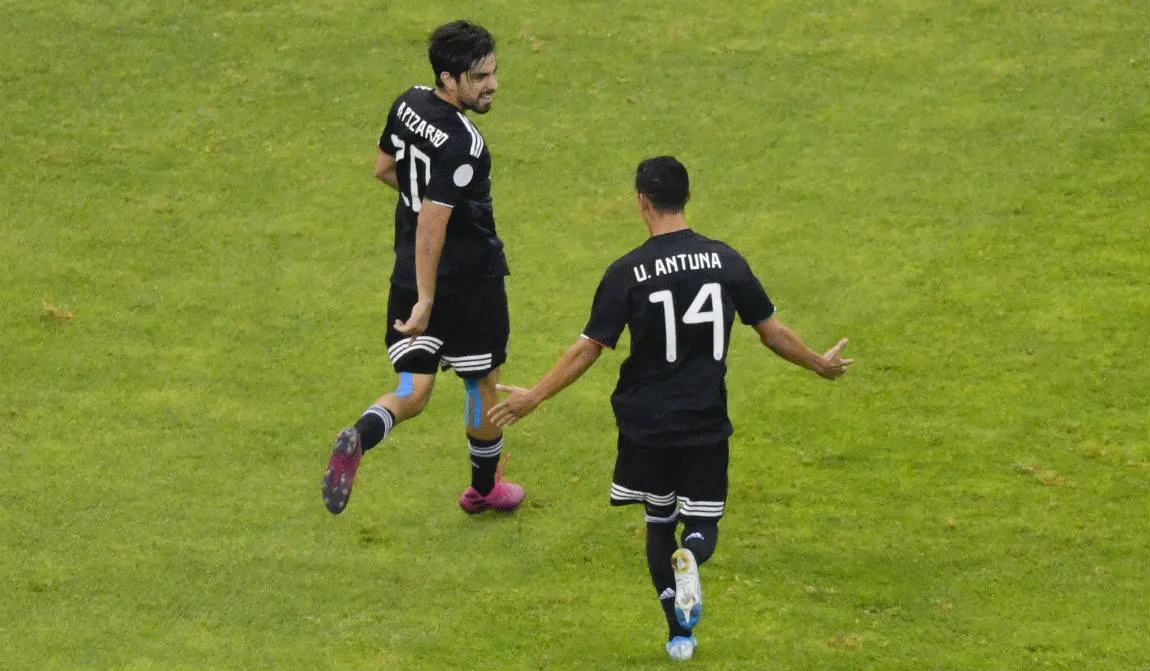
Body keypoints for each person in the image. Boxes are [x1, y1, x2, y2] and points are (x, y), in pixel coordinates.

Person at [488, 156, 853, 661]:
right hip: (703, 419)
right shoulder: (726, 262)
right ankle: (694, 554)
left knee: (658, 522)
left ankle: (679, 634)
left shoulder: (627, 272)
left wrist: (534, 397)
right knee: (702, 524)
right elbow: (771, 332)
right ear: (687, 197)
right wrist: (818, 363)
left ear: (642, 201)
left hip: (645, 423)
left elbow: (588, 348)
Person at [323, 20, 525, 516]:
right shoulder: (465, 144)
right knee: (483, 383)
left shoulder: (408, 103)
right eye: (480, 77)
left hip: (406, 275)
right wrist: (430, 298)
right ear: (449, 78)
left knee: (413, 389)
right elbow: (436, 224)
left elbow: (384, 168)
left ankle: (361, 435)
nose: (492, 85)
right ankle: (483, 489)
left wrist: (420, 204)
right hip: (466, 285)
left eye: (493, 73)